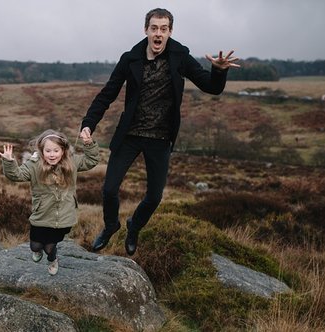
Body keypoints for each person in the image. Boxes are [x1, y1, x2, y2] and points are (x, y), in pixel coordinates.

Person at [80, 8, 240, 255]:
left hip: (160, 138)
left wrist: (219, 71)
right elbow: (107, 95)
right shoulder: (130, 58)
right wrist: (88, 124)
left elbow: (211, 87)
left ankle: (135, 226)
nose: (158, 34)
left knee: (154, 197)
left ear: (170, 32)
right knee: (109, 189)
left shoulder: (180, 57)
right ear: (146, 30)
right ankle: (111, 225)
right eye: (154, 28)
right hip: (130, 135)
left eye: (163, 29)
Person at [0, 130, 99, 275]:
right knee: (35, 246)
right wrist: (9, 162)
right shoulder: (34, 165)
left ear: (63, 150)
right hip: (42, 215)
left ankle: (52, 259)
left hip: (63, 217)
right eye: (48, 151)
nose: (52, 154)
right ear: (41, 151)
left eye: (56, 150)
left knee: (49, 248)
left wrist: (88, 143)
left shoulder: (72, 163)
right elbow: (16, 175)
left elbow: (91, 161)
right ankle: (39, 250)